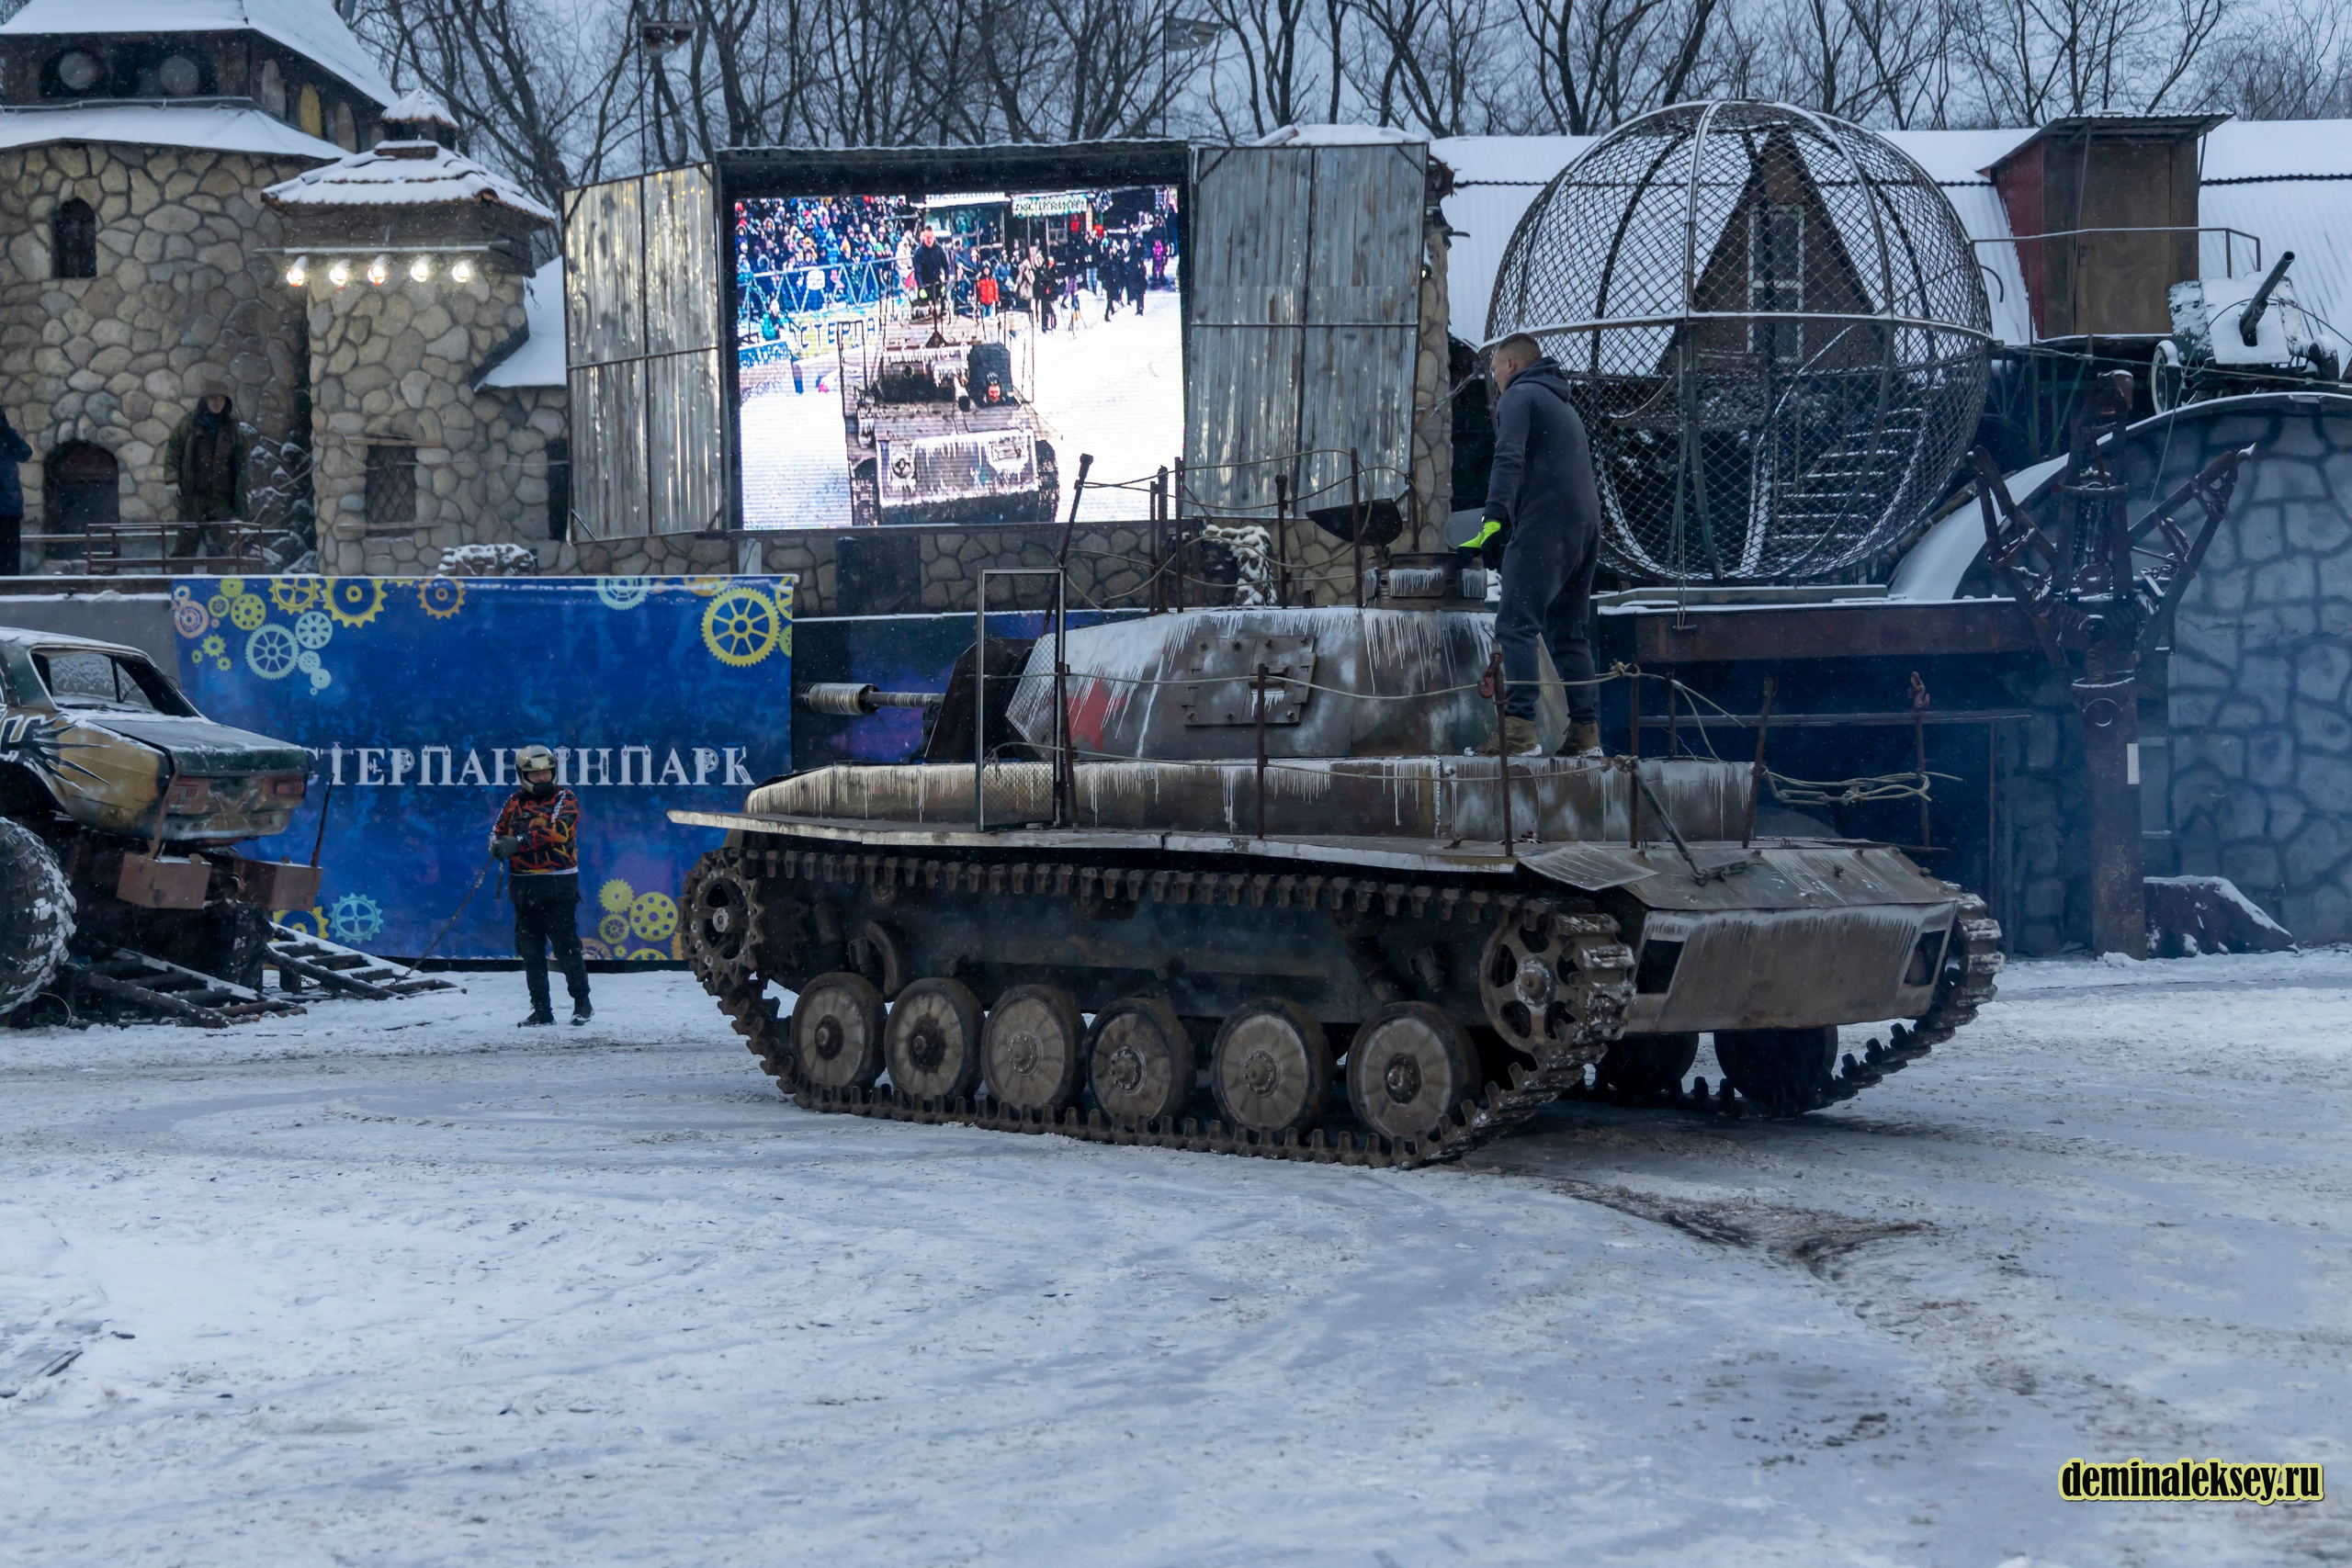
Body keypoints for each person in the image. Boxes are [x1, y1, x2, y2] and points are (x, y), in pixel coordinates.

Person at [1464, 333, 1603, 758]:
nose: (1494, 378)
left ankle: (1520, 732)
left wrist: (1492, 522)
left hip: (1546, 523)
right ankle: (1586, 735)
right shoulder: (1562, 405)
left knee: (1515, 623)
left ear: (1510, 363)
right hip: (1585, 526)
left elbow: (1507, 458)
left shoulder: (1518, 396)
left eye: (1493, 369)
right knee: (1568, 632)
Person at [490, 744, 593, 1027]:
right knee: (530, 950)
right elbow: (497, 831)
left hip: (558, 882)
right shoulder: (513, 801)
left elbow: (560, 832)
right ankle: (541, 1010)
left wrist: (519, 842)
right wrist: (496, 846)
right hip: (523, 885)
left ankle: (582, 1003)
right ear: (523, 775)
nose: (542, 778)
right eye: (535, 774)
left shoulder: (565, 797)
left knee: (566, 946)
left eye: (546, 772)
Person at [164, 378, 248, 558]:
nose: (218, 403)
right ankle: (183, 576)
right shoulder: (189, 423)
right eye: (213, 398)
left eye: (222, 399)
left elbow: (242, 460)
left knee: (219, 550)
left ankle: (218, 576)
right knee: (185, 547)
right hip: (193, 495)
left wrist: (244, 487)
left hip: (222, 498)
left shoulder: (232, 428)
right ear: (205, 400)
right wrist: (172, 481)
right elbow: (173, 452)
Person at [0, 408, 28, 575]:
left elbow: (25, 453)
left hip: (9, 509)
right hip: (9, 506)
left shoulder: (8, 440)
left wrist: (8, 433)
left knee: (9, 562)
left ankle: (10, 586)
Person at [913, 225, 948, 321]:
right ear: (924, 238)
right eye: (927, 238)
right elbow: (917, 272)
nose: (929, 240)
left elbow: (946, 266)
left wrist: (946, 283)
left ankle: (941, 312)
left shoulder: (939, 249)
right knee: (924, 301)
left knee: (941, 296)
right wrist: (921, 287)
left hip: (937, 280)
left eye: (931, 237)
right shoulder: (919, 252)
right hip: (925, 281)